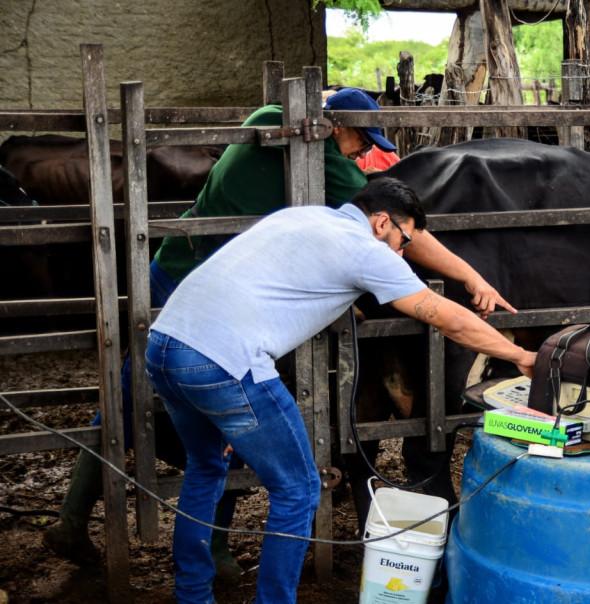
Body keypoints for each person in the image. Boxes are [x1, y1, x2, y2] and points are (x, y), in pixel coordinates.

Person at [45, 88, 511, 573]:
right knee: (250, 442)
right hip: (222, 295)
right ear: (333, 126)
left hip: (180, 271)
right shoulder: (327, 158)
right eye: (359, 139)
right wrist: (469, 275)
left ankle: (78, 519)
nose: (360, 151)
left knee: (128, 395)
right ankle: (213, 548)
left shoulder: (270, 115)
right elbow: (392, 227)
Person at [145, 177, 536, 604]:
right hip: (226, 363)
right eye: (402, 242)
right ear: (381, 222)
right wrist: (517, 355)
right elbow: (448, 319)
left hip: (165, 345)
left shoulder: (305, 217)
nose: (403, 254)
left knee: (205, 469)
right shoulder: (368, 251)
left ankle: (192, 596)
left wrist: (465, 275)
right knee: (297, 489)